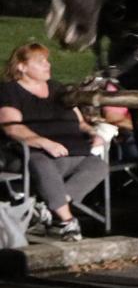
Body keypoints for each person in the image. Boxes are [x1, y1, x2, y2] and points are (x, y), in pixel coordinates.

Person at [0, 43, 109, 242]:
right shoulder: (10, 91)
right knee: (41, 163)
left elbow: (81, 122)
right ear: (22, 67)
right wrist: (42, 142)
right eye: (40, 61)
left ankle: (47, 210)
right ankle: (67, 222)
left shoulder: (58, 89)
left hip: (71, 153)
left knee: (98, 165)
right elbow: (12, 127)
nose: (47, 65)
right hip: (27, 155)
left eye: (47, 60)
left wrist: (93, 132)